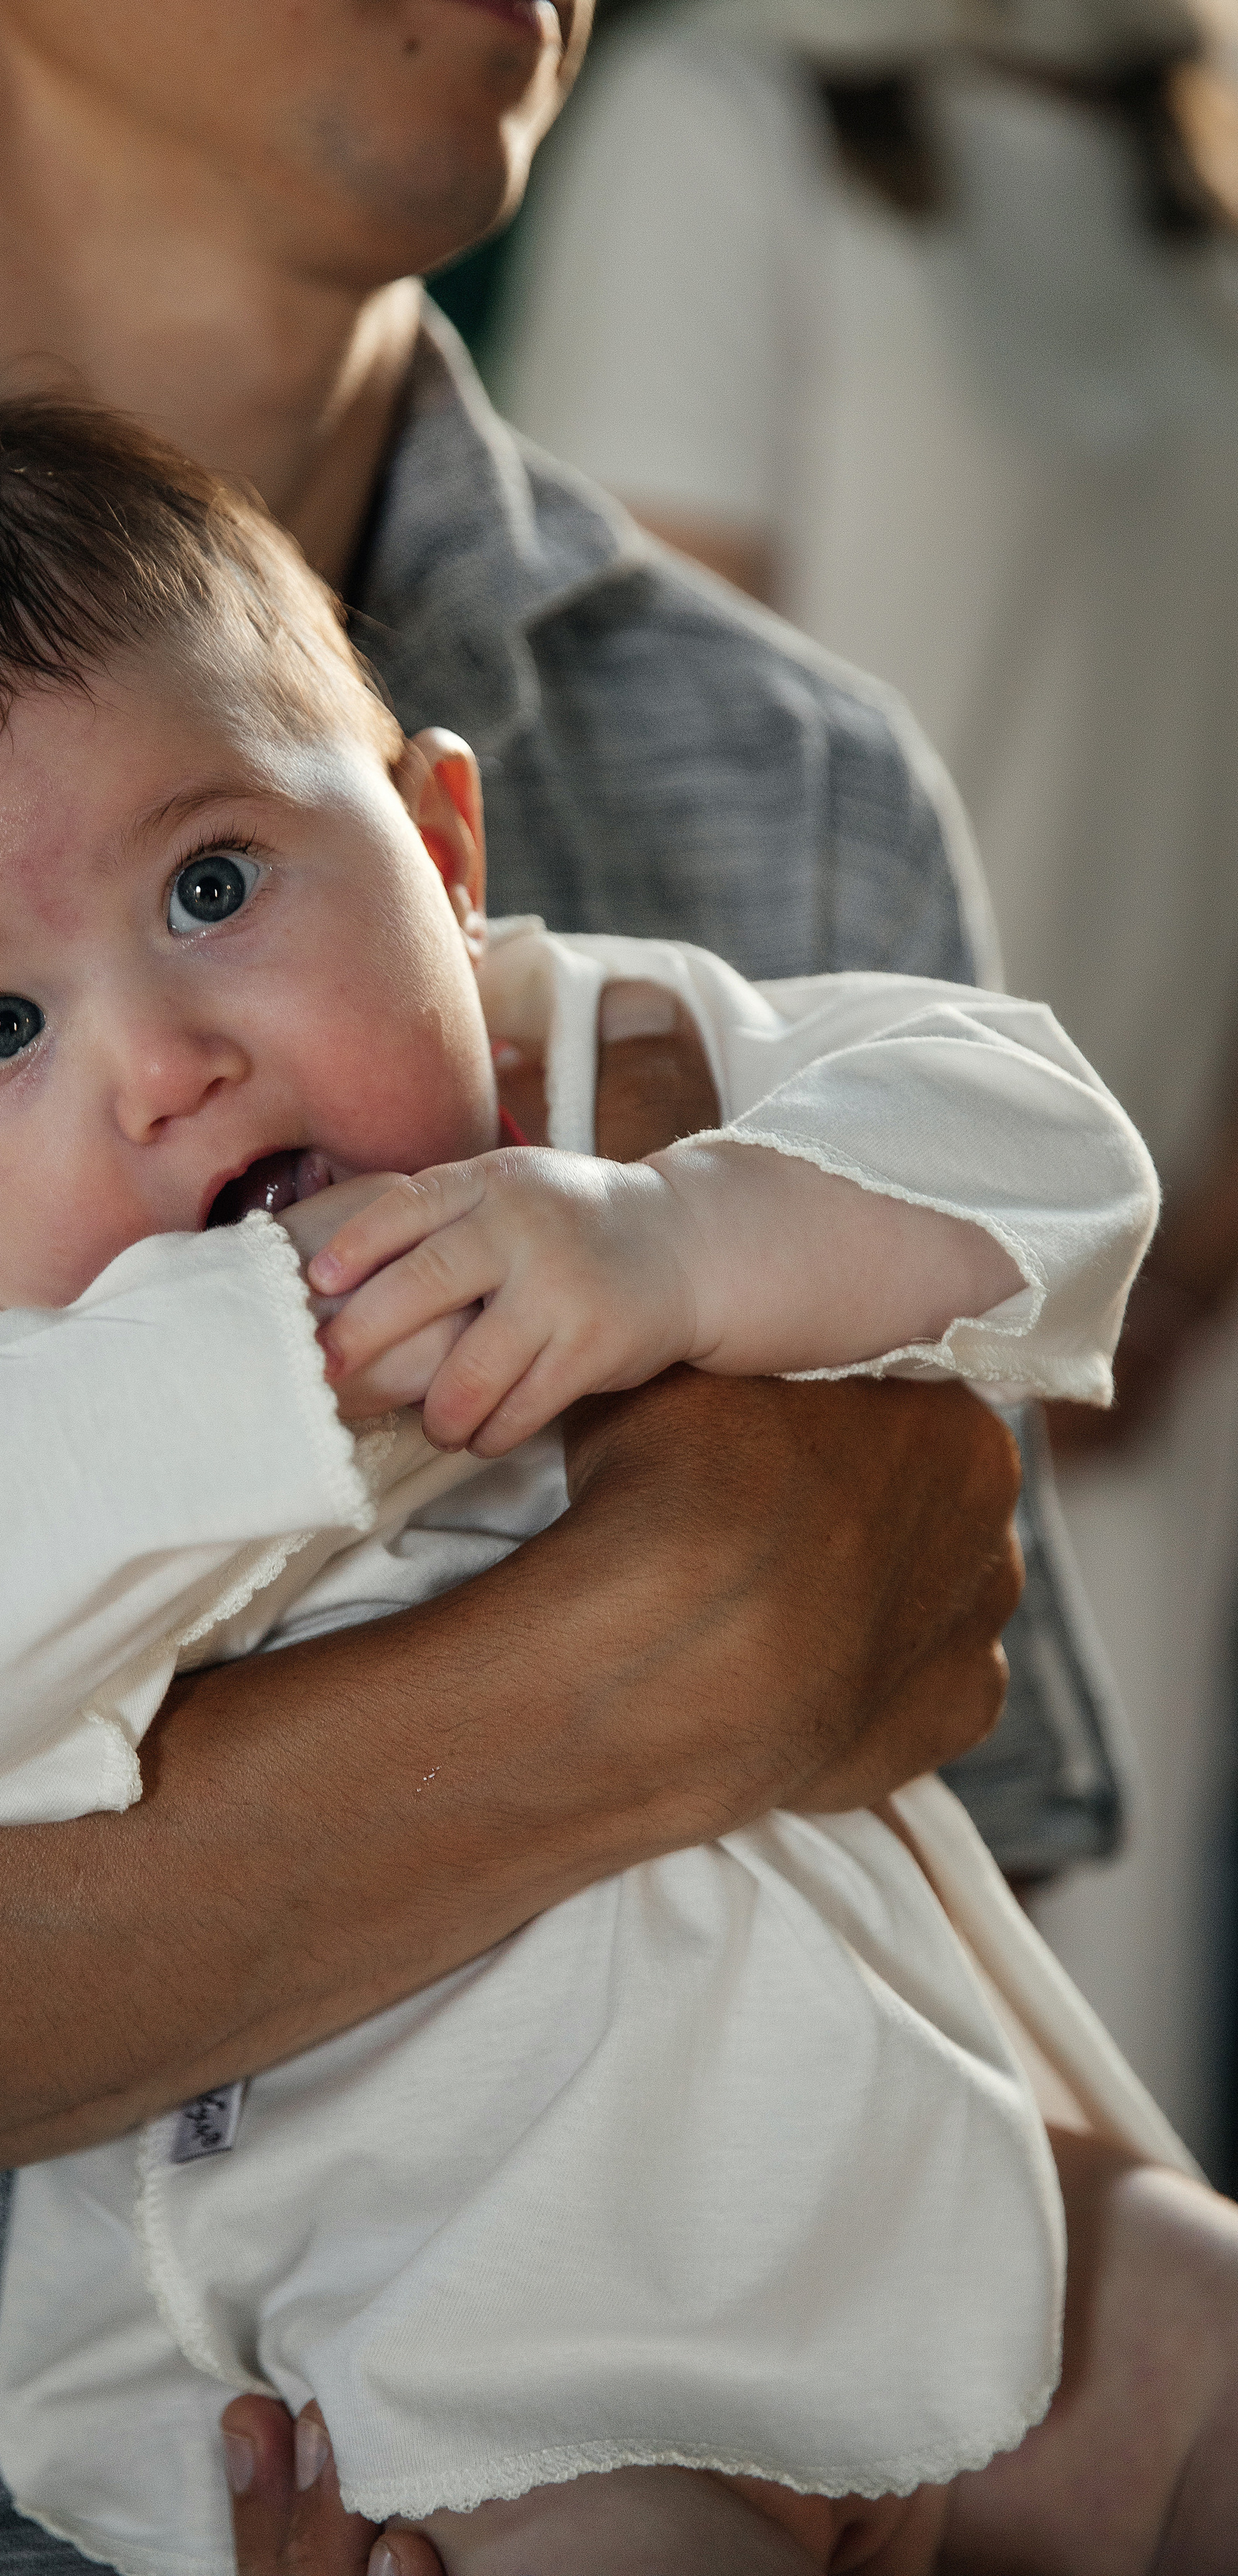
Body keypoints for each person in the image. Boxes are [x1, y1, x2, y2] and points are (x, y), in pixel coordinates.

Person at [0, 6, 1229, 2571]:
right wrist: (344, 1421)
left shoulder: (727, 848)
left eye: (222, 886)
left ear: (442, 847)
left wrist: (679, 1237)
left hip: (937, 2224)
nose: (163, 1072)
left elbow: (957, 1637)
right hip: (427, 2411)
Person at [499, 0, 1238, 2154]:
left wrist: (1163, 1248)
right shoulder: (719, 128)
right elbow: (655, 813)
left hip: (1172, 1322)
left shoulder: (1186, 150)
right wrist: (942, 1277)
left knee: (1130, 2114)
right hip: (837, 1325)